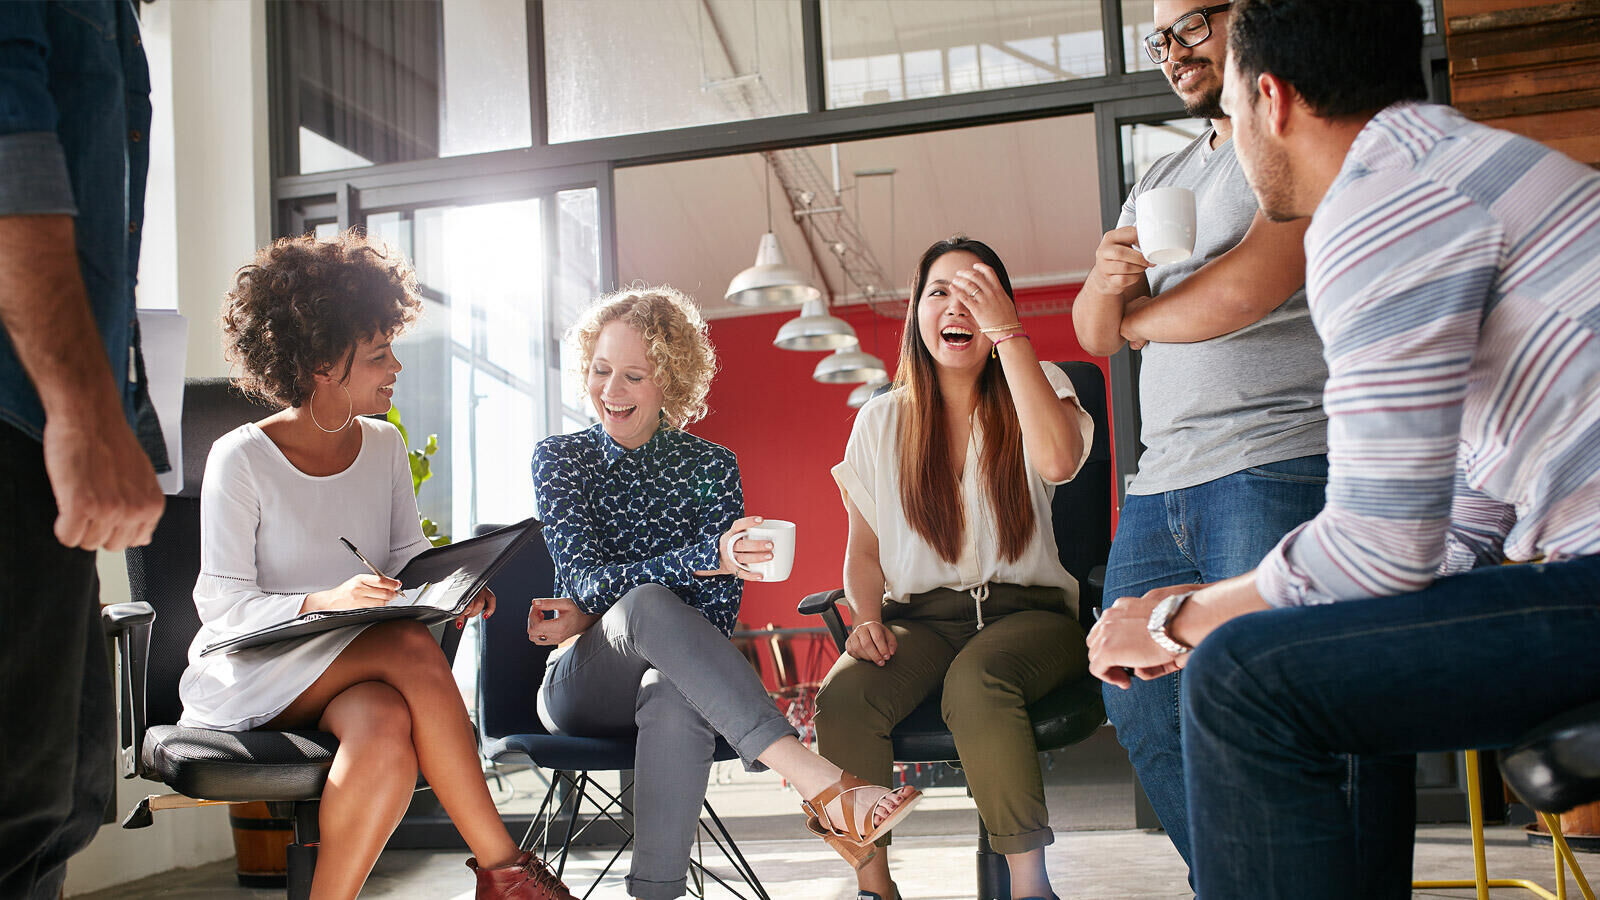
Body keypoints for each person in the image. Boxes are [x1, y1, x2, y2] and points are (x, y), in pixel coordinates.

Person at [1087, 1, 1600, 897]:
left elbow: (1378, 549)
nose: (1232, 137)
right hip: (1568, 563)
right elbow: (1471, 508)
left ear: (1271, 99)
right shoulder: (1460, 163)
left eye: (1234, 112)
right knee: (1256, 641)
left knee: (1243, 677)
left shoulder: (1379, 207)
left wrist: (1185, 621)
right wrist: (1214, 600)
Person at [1068, 1, 1415, 880]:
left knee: (1299, 699)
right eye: (1160, 40)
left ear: (1248, 20)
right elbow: (1092, 334)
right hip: (1161, 483)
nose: (1173, 53)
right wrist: (1109, 287)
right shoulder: (1162, 176)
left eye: (1191, 26)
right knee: (1143, 709)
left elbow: (1251, 286)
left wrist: (1137, 318)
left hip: (1280, 454)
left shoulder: (1288, 138)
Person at [178, 232, 573, 900]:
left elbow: (401, 563)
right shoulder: (239, 458)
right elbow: (221, 604)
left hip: (351, 667)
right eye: (377, 355)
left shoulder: (386, 445)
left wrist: (451, 590)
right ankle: (508, 874)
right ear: (322, 366)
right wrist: (326, 602)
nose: (396, 368)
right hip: (251, 671)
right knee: (404, 646)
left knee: (385, 728)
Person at [529, 285, 921, 900]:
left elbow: (711, 618)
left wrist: (612, 605)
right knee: (649, 607)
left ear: (672, 382)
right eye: (601, 370)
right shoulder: (559, 459)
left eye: (633, 375)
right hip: (581, 684)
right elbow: (587, 582)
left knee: (672, 690)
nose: (610, 391)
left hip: (678, 680)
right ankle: (817, 781)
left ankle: (655, 894)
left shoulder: (712, 466)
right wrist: (704, 559)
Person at [815, 237, 1095, 900]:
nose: (954, 304)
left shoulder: (1041, 383)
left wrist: (1011, 338)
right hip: (922, 622)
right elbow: (863, 547)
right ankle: (872, 886)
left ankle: (1031, 887)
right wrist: (867, 619)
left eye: (975, 291)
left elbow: (1058, 463)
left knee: (977, 682)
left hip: (1029, 617)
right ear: (918, 313)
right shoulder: (879, 421)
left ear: (998, 306)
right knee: (842, 697)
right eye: (938, 290)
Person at [0, 3, 169, 897]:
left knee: (53, 805)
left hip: (36, 440)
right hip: (20, 417)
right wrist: (81, 404)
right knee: (17, 813)